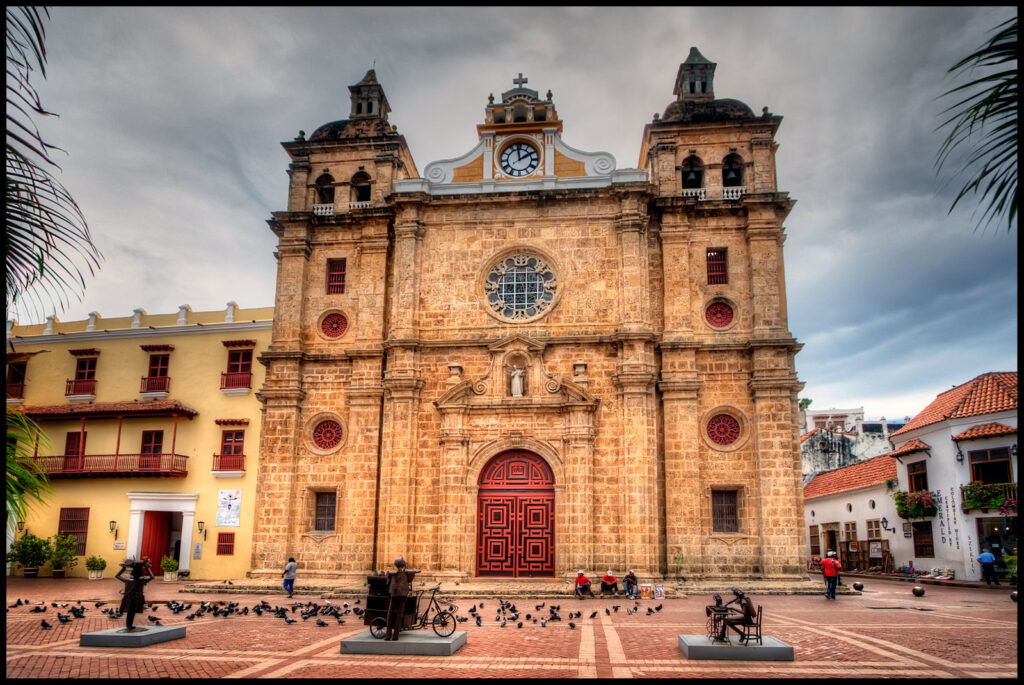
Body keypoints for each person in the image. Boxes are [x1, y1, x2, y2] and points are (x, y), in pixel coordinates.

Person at [115, 557, 155, 631]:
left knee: (130, 612)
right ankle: (129, 625)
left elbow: (117, 576)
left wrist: (124, 568)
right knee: (131, 612)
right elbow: (152, 577)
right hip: (135, 598)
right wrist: (146, 567)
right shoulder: (141, 581)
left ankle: (129, 625)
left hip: (129, 598)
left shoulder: (128, 580)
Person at [385, 557, 413, 640]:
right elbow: (410, 580)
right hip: (402, 595)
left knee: (390, 614)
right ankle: (395, 635)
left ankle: (388, 634)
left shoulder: (392, 574)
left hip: (394, 594)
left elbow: (387, 582)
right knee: (399, 615)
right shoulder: (406, 574)